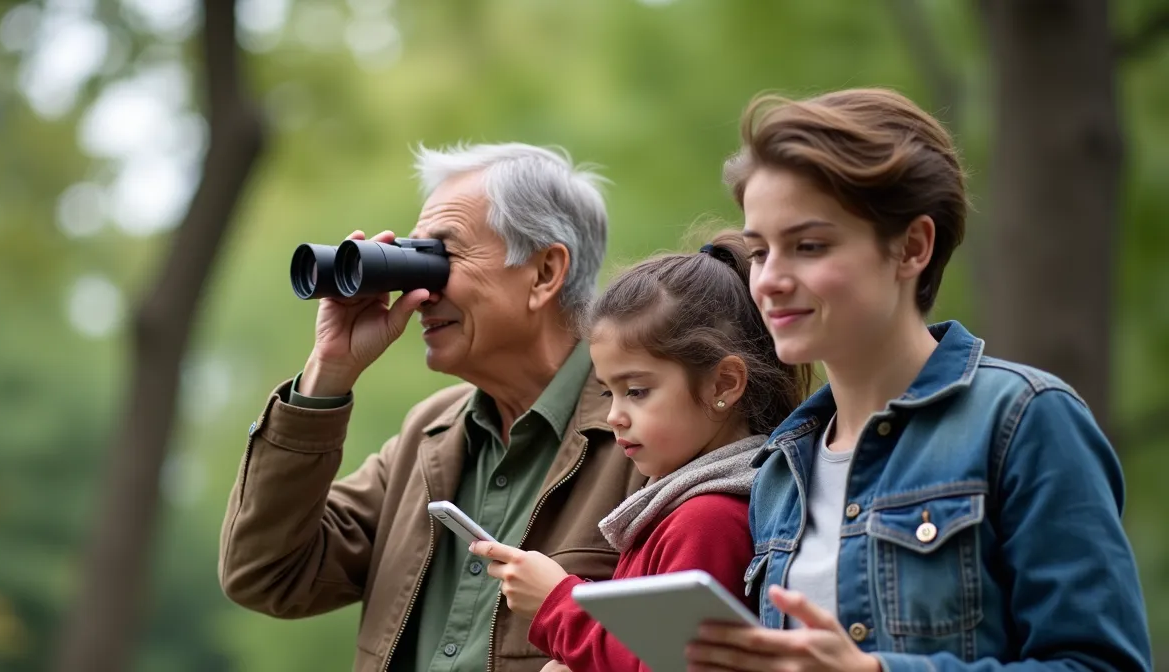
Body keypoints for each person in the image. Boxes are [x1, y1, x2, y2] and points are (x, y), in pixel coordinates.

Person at [683, 88, 1153, 672]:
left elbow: (1101, 664)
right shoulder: (778, 471)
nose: (771, 280)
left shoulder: (1025, 419)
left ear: (912, 247)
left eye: (808, 246)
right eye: (759, 252)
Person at [218, 142, 649, 672]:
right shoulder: (433, 434)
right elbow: (266, 574)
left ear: (543, 273)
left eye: (442, 256)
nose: (417, 288)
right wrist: (328, 373)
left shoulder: (645, 431)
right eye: (412, 256)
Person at [468, 230, 810, 672]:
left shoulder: (708, 520)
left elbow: (671, 665)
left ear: (723, 384)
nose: (614, 416)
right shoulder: (674, 506)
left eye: (636, 391)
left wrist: (558, 606)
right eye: (608, 393)